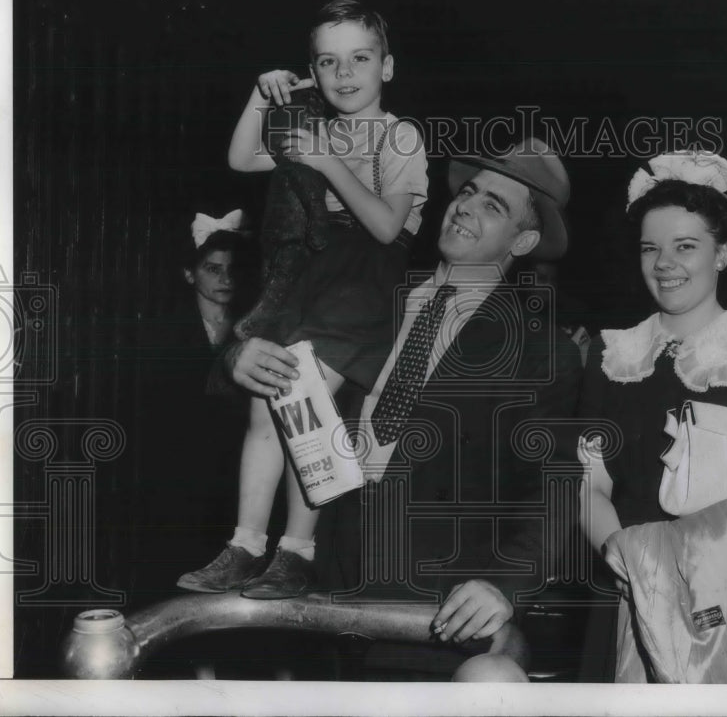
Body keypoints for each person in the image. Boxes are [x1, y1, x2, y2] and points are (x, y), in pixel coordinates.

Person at [224, 138, 582, 681]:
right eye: (469, 191)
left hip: (430, 618)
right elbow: (276, 358)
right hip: (319, 597)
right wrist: (241, 354)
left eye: (494, 206)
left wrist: (506, 585)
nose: (466, 206)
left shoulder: (539, 351)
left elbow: (554, 487)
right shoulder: (370, 298)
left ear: (524, 238)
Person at [177, 0, 428, 599]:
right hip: (309, 274)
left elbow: (389, 229)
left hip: (364, 278)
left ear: (386, 68)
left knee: (299, 401)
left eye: (359, 59)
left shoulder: (399, 135)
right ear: (312, 73)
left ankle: (299, 550)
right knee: (265, 404)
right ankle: (245, 544)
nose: (344, 74)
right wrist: (262, 99)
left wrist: (327, 161)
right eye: (328, 62)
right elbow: (241, 159)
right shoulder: (314, 128)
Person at [577, 152, 727, 683]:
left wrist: (670, 558)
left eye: (685, 246)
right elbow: (587, 483)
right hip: (628, 595)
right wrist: (621, 553)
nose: (665, 263)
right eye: (651, 248)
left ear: (723, 255)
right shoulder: (611, 355)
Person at [132, 211, 253, 606]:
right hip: (181, 481)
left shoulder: (254, 328)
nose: (225, 279)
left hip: (238, 475)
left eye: (232, 270)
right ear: (190, 275)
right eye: (212, 269)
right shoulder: (164, 332)